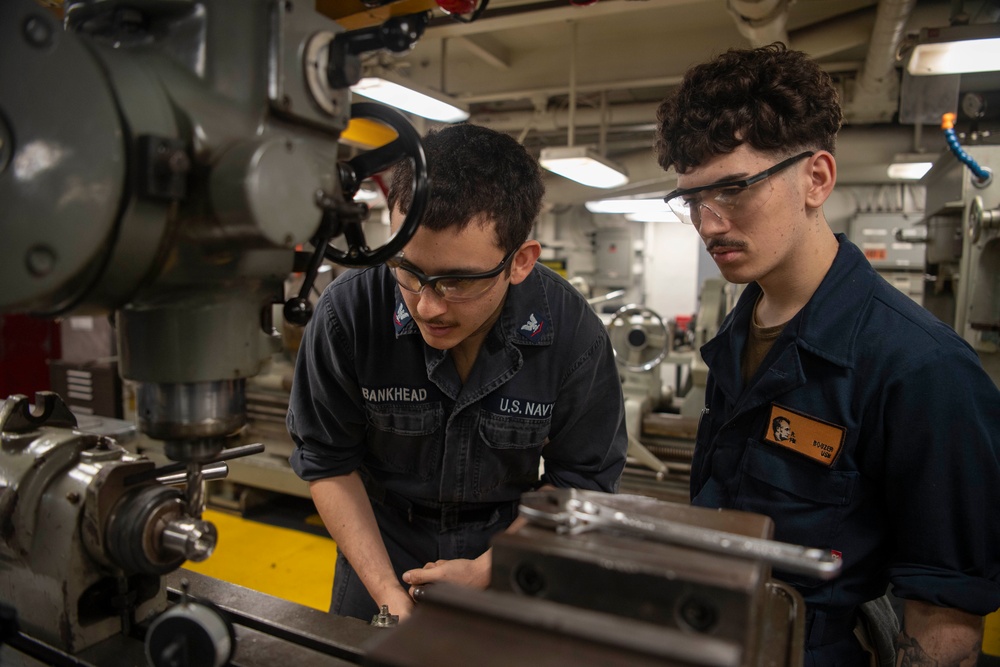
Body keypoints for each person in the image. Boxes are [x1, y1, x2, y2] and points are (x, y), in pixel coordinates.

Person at [654, 43, 1000, 666]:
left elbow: (943, 616)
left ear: (816, 179)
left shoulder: (922, 369)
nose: (707, 224)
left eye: (733, 188)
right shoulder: (739, 334)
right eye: (691, 200)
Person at [287, 123, 628, 623]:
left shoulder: (572, 332)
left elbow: (583, 479)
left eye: (457, 282)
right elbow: (327, 462)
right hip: (381, 547)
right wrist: (386, 593)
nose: (427, 306)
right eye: (408, 271)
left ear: (520, 262)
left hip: (510, 543)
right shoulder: (349, 313)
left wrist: (493, 565)